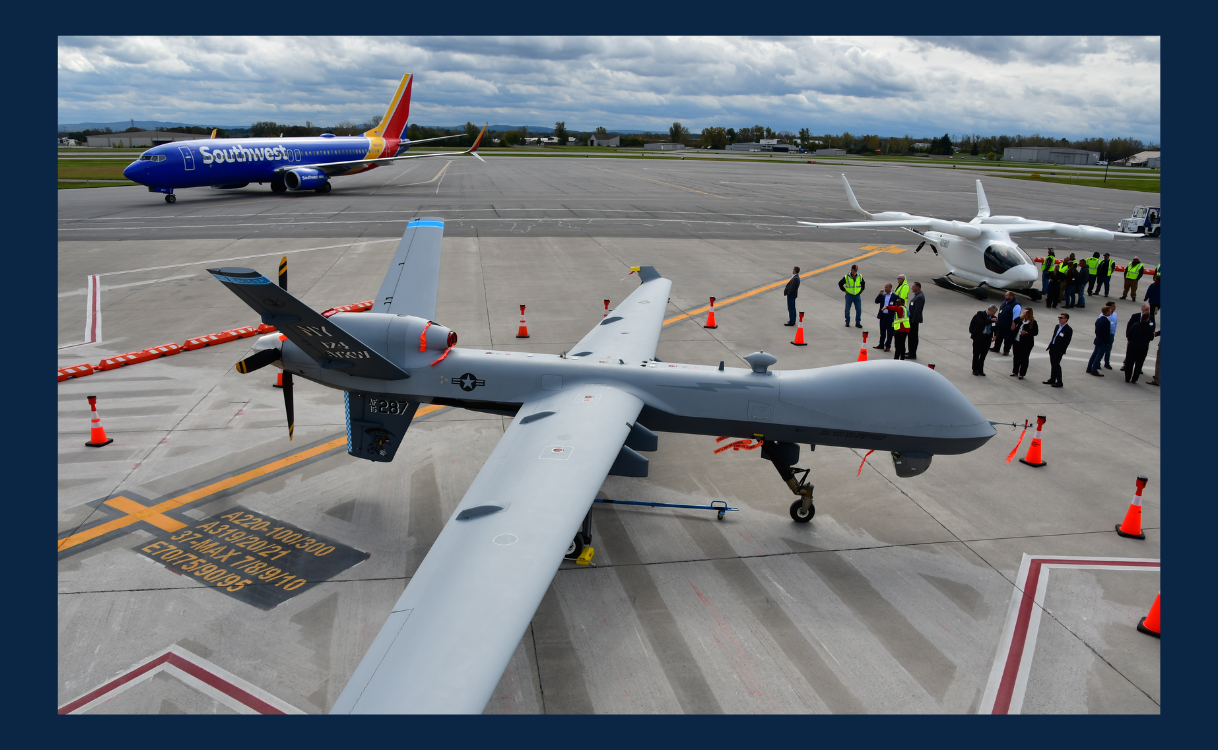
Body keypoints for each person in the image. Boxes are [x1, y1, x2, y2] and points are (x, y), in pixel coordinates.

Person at [1123, 303, 1158, 383]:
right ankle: (1134, 378)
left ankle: (1128, 377)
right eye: (1146, 309)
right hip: (1143, 346)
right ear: (1142, 310)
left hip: (1133, 344)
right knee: (1139, 362)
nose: (1148, 311)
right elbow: (1151, 336)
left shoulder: (1137, 325)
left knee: (1131, 361)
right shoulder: (1136, 317)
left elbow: (1129, 332)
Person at [1086, 303, 1116, 376]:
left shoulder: (1099, 320)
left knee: (1094, 354)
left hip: (1098, 339)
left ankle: (1089, 368)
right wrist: (1107, 342)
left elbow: (1096, 331)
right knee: (1099, 356)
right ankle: (1094, 370)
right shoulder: (1106, 321)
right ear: (1107, 312)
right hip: (1103, 341)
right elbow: (1106, 333)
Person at [1044, 312, 1072, 387]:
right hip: (1053, 348)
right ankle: (1052, 379)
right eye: (1059, 317)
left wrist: (1062, 351)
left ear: (1066, 319)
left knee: (1056, 365)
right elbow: (1054, 337)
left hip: (1058, 350)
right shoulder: (1057, 326)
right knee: (1053, 364)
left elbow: (1067, 341)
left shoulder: (1068, 329)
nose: (1059, 319)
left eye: (1061, 318)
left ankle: (1059, 381)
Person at [1010, 308, 1038, 379]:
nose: (1023, 314)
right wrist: (1020, 317)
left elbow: (1035, 332)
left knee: (1024, 358)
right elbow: (1015, 321)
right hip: (1017, 340)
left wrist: (1027, 332)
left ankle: (1022, 373)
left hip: (1026, 343)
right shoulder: (1021, 320)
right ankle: (1014, 371)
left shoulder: (1033, 322)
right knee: (1016, 356)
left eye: (1025, 313)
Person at [970, 305, 998, 376]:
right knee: (976, 354)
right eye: (994, 312)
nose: (994, 314)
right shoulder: (980, 314)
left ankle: (980, 370)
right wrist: (991, 320)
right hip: (979, 337)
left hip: (987, 338)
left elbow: (996, 328)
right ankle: (975, 369)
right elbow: (981, 322)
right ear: (990, 310)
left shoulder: (994, 318)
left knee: (983, 355)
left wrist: (995, 335)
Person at [993, 291, 1021, 355]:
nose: (1005, 296)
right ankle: (996, 348)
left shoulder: (1016, 305)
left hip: (1008, 325)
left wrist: (1013, 324)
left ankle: (1006, 350)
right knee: (999, 337)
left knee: (1008, 339)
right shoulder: (1004, 302)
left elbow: (1016, 316)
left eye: (1007, 295)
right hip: (1001, 324)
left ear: (1011, 296)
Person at [874, 283, 897, 351]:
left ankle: (887, 346)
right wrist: (880, 294)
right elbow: (876, 301)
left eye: (887, 287)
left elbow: (897, 306)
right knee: (882, 331)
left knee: (889, 332)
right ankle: (881, 344)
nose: (885, 289)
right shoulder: (883, 296)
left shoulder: (895, 296)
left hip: (890, 317)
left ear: (890, 288)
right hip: (883, 316)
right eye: (885, 287)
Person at [907, 282, 925, 359]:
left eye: (913, 286)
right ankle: (910, 351)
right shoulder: (917, 295)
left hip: (914, 321)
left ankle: (912, 354)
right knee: (911, 337)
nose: (912, 288)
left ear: (917, 287)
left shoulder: (919, 297)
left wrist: (913, 321)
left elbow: (917, 311)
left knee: (913, 337)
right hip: (912, 319)